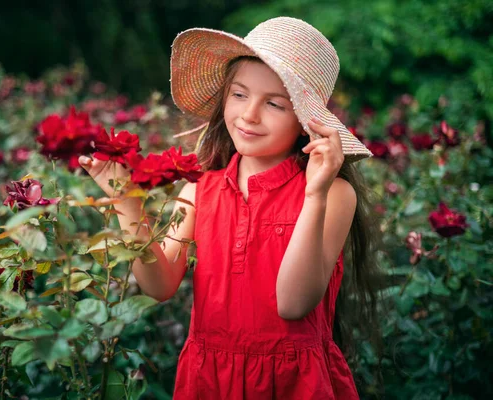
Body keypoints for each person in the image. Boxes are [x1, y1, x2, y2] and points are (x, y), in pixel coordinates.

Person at [80, 16, 385, 400]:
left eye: (274, 103)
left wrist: (315, 193)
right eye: (239, 95)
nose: (249, 115)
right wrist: (124, 199)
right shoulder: (199, 190)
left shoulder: (333, 194)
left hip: (295, 384)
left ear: (307, 122)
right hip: (209, 381)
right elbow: (158, 286)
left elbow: (293, 304)